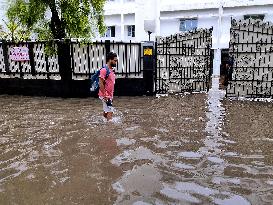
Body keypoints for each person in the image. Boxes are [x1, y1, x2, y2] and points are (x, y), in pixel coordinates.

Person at [98, 52, 118, 121]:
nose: (116, 62)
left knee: (106, 111)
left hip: (109, 95)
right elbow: (100, 83)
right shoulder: (104, 70)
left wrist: (111, 96)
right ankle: (110, 128)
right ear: (110, 60)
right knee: (110, 111)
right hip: (105, 95)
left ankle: (102, 122)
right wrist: (105, 95)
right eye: (115, 60)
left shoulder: (112, 70)